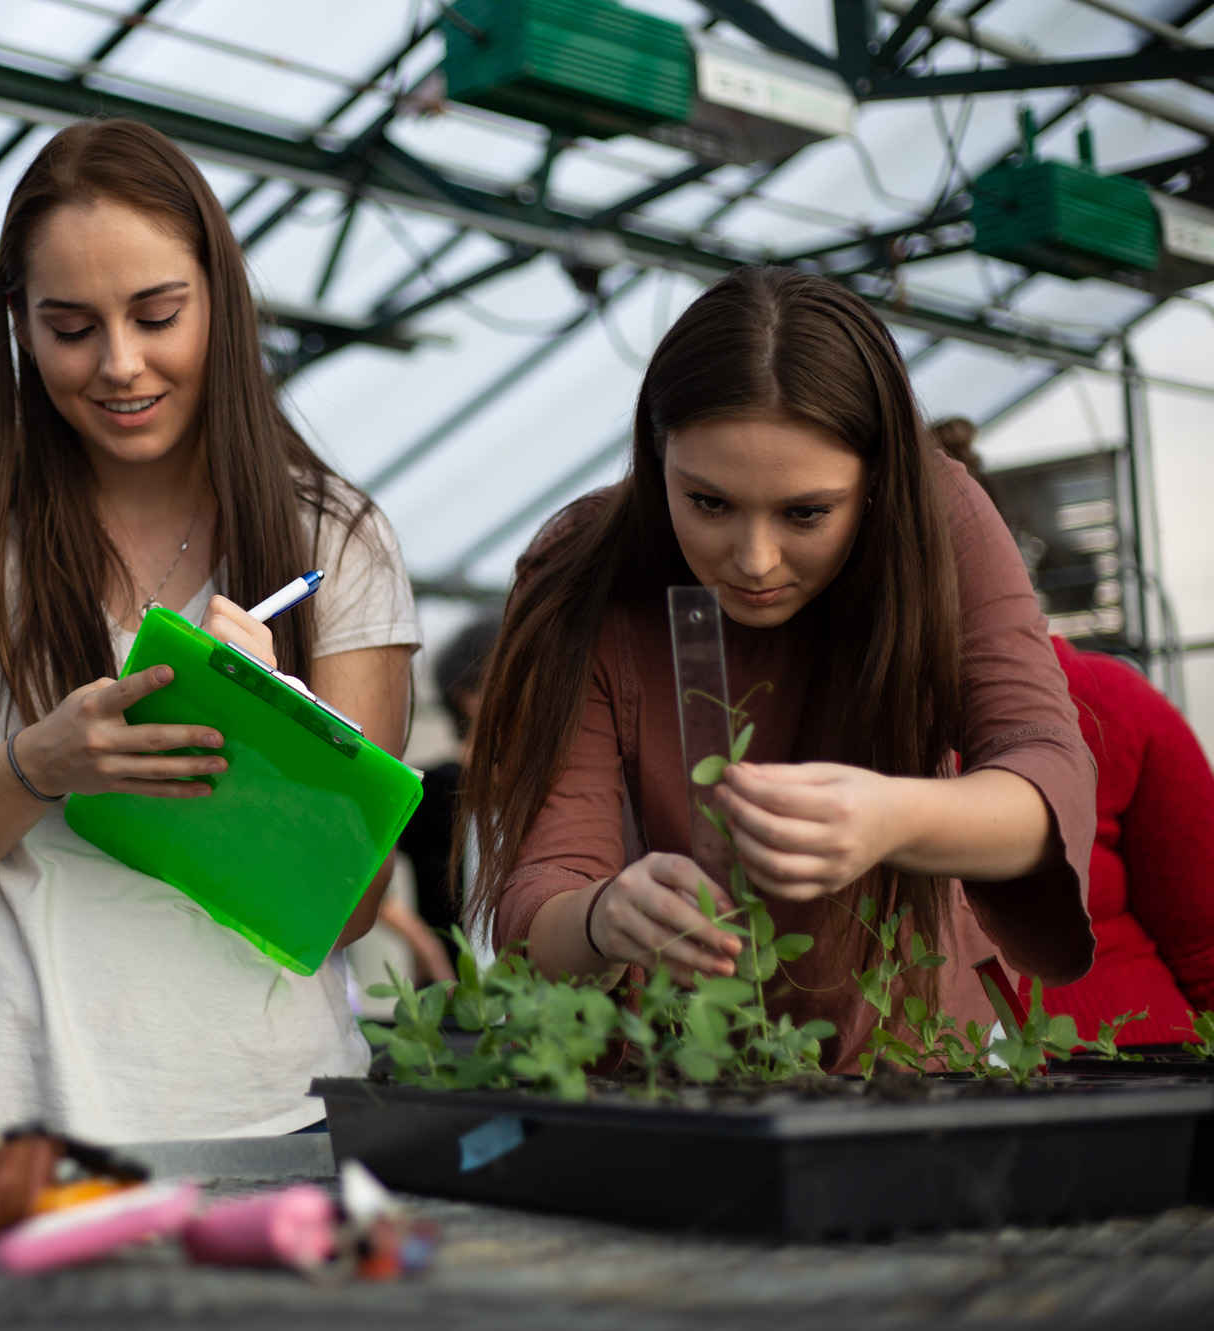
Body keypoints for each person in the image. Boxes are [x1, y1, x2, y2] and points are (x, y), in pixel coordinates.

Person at [0, 119, 422, 1147]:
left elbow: (354, 906)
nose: (118, 364)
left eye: (157, 315)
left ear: (219, 302)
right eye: (69, 327)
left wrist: (282, 729)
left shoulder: (336, 539)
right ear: (17, 324)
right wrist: (31, 767)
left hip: (270, 1117)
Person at [463, 267, 1097, 1072]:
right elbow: (542, 889)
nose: (755, 561)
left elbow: (1048, 771)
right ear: (656, 455)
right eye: (708, 503)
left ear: (876, 483)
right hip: (678, 1078)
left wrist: (893, 817)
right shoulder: (581, 570)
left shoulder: (941, 521)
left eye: (807, 513)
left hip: (918, 1062)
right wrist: (605, 916)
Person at [934, 419, 1214, 1046]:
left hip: (1140, 1064)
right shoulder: (830, 719)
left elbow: (1204, 942)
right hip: (935, 1083)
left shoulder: (1114, 702)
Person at [394, 615, 500, 974]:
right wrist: (427, 949)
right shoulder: (429, 787)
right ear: (467, 696)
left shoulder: (539, 791)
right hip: (447, 1000)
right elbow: (356, 875)